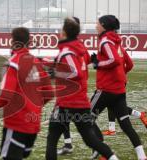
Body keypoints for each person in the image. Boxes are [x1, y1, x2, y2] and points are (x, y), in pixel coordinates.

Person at [45, 17, 118, 160]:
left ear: (65, 32)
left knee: (51, 140)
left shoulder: (67, 50)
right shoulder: (78, 48)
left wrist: (55, 73)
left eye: (61, 29)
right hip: (81, 102)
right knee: (90, 140)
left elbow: (74, 72)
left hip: (67, 102)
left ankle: (68, 145)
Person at [0, 27, 53, 160]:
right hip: (33, 123)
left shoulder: (14, 63)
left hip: (17, 123)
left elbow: (6, 95)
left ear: (13, 41)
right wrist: (34, 107)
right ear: (29, 42)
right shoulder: (36, 62)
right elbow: (49, 93)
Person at [90, 15, 147, 160]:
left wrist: (97, 63)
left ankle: (104, 153)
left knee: (85, 119)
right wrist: (120, 76)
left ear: (103, 25)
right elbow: (129, 64)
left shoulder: (105, 41)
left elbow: (113, 60)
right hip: (119, 90)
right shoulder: (117, 43)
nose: (95, 25)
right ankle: (142, 156)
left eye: (97, 23)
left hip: (105, 89)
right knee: (126, 126)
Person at [102, 49, 147, 135]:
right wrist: (122, 73)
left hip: (112, 81)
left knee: (114, 104)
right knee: (112, 104)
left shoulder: (108, 49)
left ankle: (140, 114)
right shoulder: (121, 49)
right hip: (121, 80)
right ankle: (112, 129)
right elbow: (130, 64)